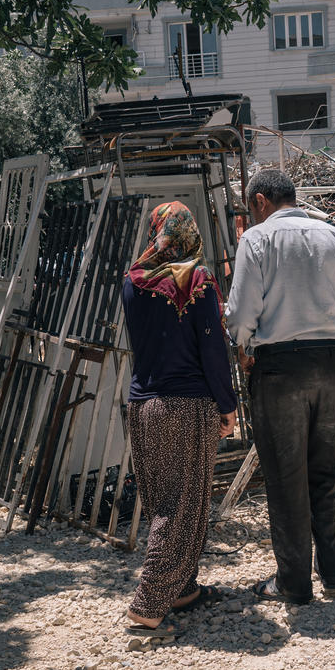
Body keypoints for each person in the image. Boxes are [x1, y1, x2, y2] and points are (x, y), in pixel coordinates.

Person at [225, 169, 335, 605]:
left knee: (286, 477)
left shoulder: (257, 240)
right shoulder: (334, 235)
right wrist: (326, 329)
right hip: (331, 362)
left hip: (280, 370)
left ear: (259, 202)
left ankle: (293, 582)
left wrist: (246, 340)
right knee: (325, 469)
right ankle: (334, 574)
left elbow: (241, 315)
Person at [121, 202, 238, 637]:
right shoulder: (197, 281)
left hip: (142, 408)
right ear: (188, 233)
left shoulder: (133, 281)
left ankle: (183, 589)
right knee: (182, 506)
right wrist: (227, 404)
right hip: (185, 407)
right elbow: (212, 350)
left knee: (161, 502)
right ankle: (147, 607)